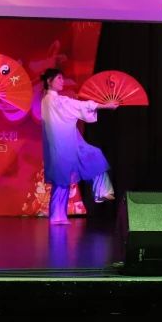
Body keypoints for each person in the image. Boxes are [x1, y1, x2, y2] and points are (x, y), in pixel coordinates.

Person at [39, 68, 117, 225]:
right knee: (88, 159)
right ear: (49, 81)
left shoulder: (48, 100)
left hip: (61, 144)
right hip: (62, 145)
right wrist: (104, 106)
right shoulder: (53, 100)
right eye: (59, 78)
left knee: (63, 179)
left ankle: (58, 216)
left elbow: (73, 107)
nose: (62, 81)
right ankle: (100, 191)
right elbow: (77, 105)